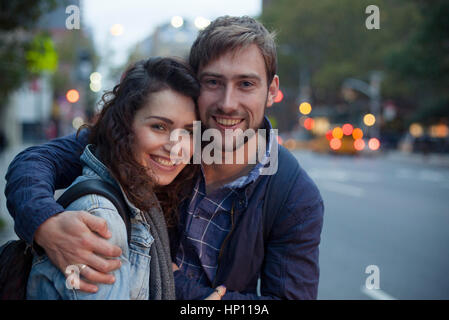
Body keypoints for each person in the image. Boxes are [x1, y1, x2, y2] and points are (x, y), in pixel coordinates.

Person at [5, 16, 324, 300]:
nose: (228, 103)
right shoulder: (159, 144)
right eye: (213, 82)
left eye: (246, 84)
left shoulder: (293, 195)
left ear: (271, 91)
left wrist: (192, 296)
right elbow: (38, 159)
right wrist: (44, 221)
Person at [23, 57, 225, 300]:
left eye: (189, 132)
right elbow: (36, 159)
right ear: (124, 125)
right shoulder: (100, 221)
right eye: (159, 127)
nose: (175, 147)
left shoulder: (140, 198)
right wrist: (42, 222)